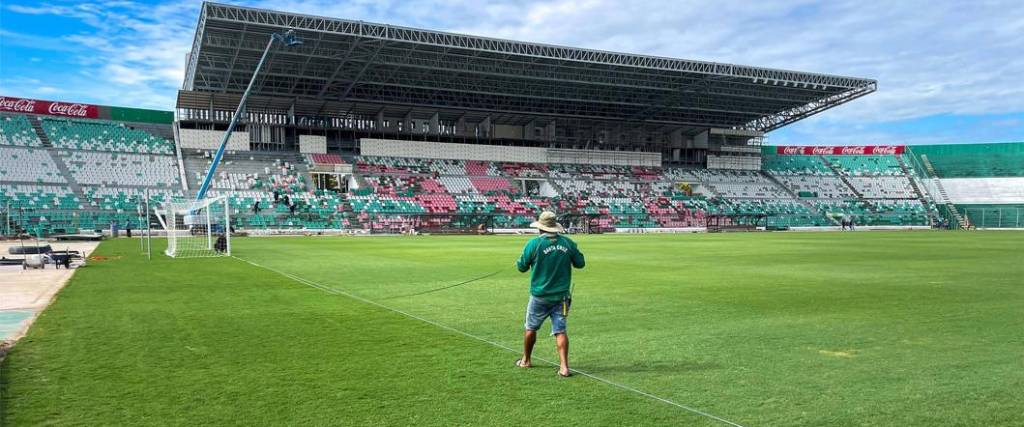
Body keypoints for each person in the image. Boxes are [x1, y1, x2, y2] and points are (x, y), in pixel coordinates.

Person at [514, 211, 585, 377]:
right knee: (560, 330)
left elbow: (521, 267)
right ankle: (564, 367)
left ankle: (526, 360)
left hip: (539, 295)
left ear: (540, 228)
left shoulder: (534, 244)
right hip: (562, 297)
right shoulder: (568, 243)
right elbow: (580, 264)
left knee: (531, 328)